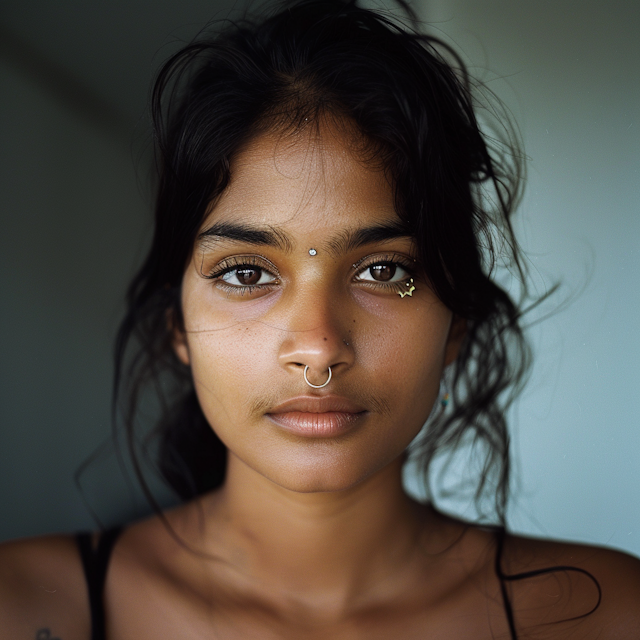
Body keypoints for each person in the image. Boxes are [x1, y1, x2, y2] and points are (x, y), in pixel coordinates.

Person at [1, 0, 639, 637]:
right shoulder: (26, 608)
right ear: (177, 326)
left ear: (458, 327)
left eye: (383, 270)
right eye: (246, 273)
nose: (317, 349)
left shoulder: (604, 616)